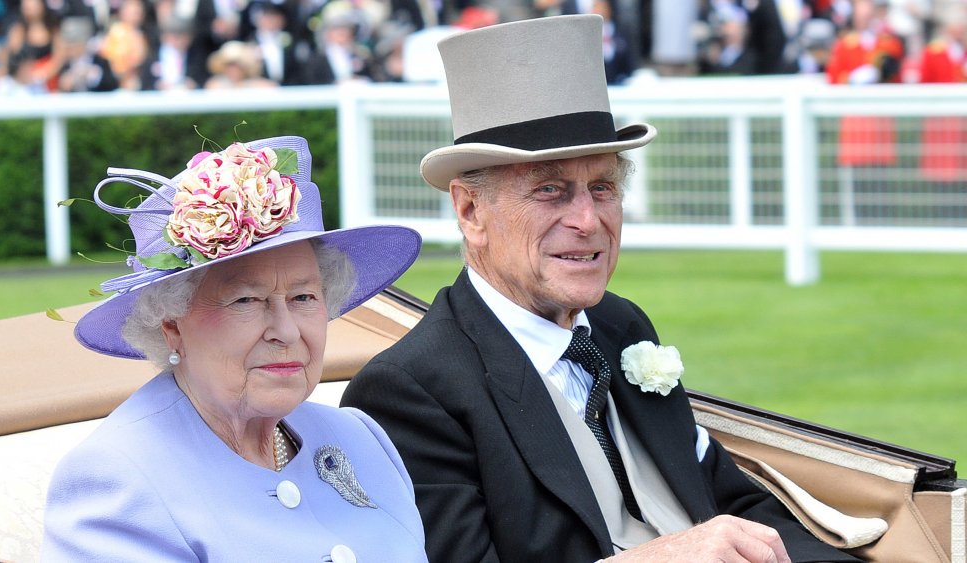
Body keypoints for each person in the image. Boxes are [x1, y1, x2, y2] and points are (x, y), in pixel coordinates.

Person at [341, 15, 860, 563]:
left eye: (603, 187)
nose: (588, 220)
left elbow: (734, 503)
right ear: (471, 211)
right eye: (550, 190)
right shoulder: (409, 392)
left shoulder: (620, 326)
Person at [42, 135, 427, 561]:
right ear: (172, 325)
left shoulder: (361, 437)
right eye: (246, 300)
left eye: (304, 298)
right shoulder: (116, 478)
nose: (287, 331)